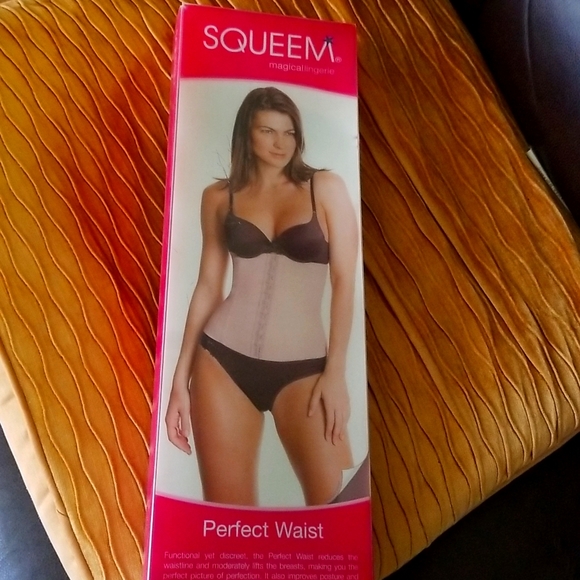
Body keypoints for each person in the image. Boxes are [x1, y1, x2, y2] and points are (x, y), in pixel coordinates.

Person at [165, 86, 359, 506]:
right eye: (267, 131)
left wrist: (336, 374)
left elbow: (345, 282)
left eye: (289, 132)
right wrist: (179, 382)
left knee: (332, 508)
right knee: (228, 513)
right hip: (221, 362)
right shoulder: (219, 197)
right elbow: (208, 285)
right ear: (246, 134)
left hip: (305, 369)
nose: (280, 143)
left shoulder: (325, 188)